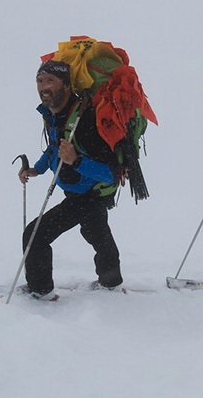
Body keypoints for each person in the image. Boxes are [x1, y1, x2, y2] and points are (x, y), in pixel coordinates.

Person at [17, 60, 123, 300]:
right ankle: (111, 282)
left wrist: (76, 162)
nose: (43, 86)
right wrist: (37, 169)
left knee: (35, 234)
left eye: (50, 81)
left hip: (88, 195)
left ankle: (40, 291)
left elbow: (110, 173)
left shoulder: (85, 120)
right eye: (40, 81)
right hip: (81, 193)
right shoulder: (57, 115)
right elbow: (55, 148)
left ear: (65, 85)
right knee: (97, 233)